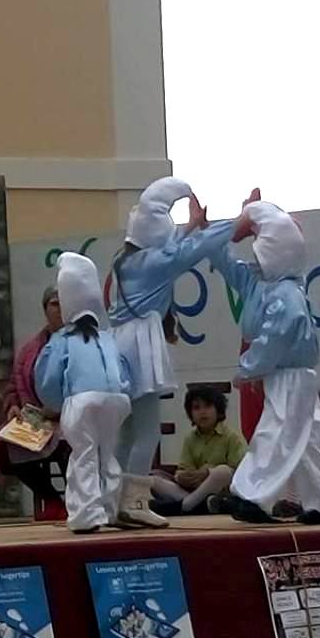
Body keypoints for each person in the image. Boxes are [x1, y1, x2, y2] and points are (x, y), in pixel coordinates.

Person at [109, 177, 247, 528]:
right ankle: (134, 503)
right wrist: (239, 221)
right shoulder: (156, 262)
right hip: (140, 345)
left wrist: (190, 226)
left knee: (127, 432)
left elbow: (169, 248)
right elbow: (190, 250)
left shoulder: (125, 260)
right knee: (146, 432)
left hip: (120, 343)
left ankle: (112, 502)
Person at [209, 194, 320, 525]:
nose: (256, 258)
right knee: (308, 440)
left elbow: (276, 335)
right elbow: (230, 267)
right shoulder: (267, 284)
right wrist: (217, 234)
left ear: (274, 253)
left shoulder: (285, 294)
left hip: (289, 375)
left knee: (275, 432)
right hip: (291, 374)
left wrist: (248, 369)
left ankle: (250, 495)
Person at [34, 253, 131, 533]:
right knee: (108, 453)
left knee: (84, 454)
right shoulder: (106, 337)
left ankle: (86, 515)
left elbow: (48, 379)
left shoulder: (62, 339)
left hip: (82, 400)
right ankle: (110, 508)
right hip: (117, 400)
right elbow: (124, 372)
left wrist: (55, 404)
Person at [0, 286, 70, 519]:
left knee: (69, 443)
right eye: (54, 304)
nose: (60, 309)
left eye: (64, 304)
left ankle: (77, 501)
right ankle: (52, 501)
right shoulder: (30, 350)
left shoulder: (81, 343)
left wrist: (59, 410)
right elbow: (14, 387)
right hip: (39, 418)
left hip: (72, 415)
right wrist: (14, 406)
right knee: (8, 446)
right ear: (45, 309)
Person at [149, 386, 246, 515]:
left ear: (219, 410)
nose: (202, 412)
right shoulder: (190, 439)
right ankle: (201, 506)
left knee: (223, 472)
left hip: (220, 491)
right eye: (196, 407)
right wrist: (182, 477)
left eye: (208, 406)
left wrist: (207, 473)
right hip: (194, 491)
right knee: (154, 480)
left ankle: (184, 507)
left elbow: (237, 473)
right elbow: (184, 469)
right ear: (190, 414)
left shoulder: (232, 437)